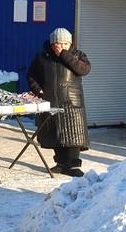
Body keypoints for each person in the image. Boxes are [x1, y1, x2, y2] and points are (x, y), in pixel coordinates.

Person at [28, 28, 92, 177]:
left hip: (72, 101)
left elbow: (83, 70)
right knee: (55, 133)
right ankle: (61, 164)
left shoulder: (78, 55)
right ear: (52, 44)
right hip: (50, 100)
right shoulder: (42, 57)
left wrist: (63, 54)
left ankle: (73, 166)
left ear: (70, 43)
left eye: (65, 44)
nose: (62, 46)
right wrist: (38, 90)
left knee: (74, 134)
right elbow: (32, 75)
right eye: (58, 43)